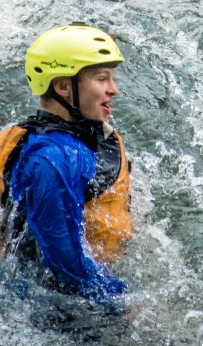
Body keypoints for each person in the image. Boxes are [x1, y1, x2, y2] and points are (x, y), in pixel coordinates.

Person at [0, 23, 132, 301]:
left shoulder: (16, 136)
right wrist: (120, 302)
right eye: (102, 79)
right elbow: (62, 262)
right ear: (62, 86)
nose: (114, 90)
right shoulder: (54, 158)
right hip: (66, 311)